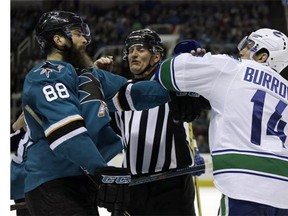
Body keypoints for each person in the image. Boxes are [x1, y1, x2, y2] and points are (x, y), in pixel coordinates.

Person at [20, 11, 169, 216]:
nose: (85, 39)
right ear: (59, 39)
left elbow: (135, 92)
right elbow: (66, 132)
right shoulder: (46, 76)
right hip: (52, 183)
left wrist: (176, 95)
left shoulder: (91, 75)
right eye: (78, 33)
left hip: (84, 181)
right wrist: (100, 169)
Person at [156, 28, 288, 215]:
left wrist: (192, 57)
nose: (241, 50)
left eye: (249, 46)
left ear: (262, 56)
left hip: (244, 187)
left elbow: (166, 73)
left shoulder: (231, 67)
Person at [105, 29, 207, 215]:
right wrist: (97, 83)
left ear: (156, 56)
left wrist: (197, 73)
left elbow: (197, 104)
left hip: (172, 187)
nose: (133, 54)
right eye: (130, 50)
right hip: (133, 188)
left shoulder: (172, 85)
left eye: (141, 49)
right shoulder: (121, 93)